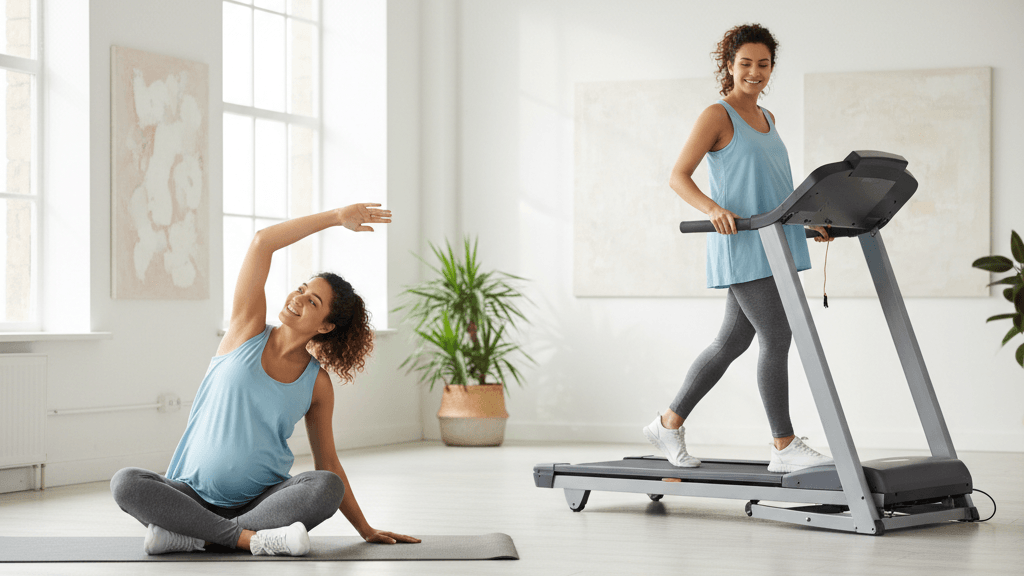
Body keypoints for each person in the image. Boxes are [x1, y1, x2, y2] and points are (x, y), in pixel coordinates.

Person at [111, 203, 421, 556]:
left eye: (313, 300)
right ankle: (247, 539)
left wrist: (364, 529)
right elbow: (262, 243)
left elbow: (328, 463)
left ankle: (196, 537)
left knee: (326, 486)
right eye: (302, 288)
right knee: (126, 483)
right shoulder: (247, 327)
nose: (298, 298)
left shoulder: (316, 383)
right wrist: (336, 218)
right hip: (191, 495)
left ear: (325, 326)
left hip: (262, 504)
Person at [643, 24, 835, 473]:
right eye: (745, 63)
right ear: (728, 65)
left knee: (731, 342)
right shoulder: (718, 114)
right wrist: (712, 208)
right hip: (743, 243)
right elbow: (678, 176)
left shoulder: (769, 119)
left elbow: (774, 190)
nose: (754, 72)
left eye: (763, 64)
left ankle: (667, 424)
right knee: (777, 335)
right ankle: (783, 445)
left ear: (772, 68)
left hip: (776, 239)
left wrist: (809, 223)